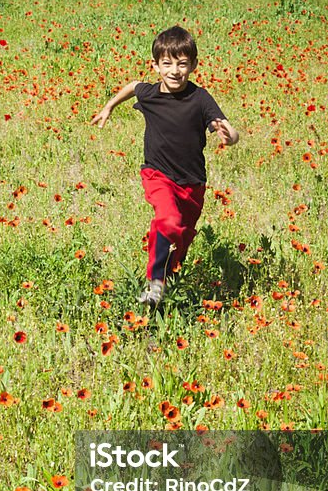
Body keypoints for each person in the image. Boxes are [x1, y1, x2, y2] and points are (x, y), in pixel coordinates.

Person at [90, 26, 239, 307]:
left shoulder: (200, 98)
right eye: (167, 64)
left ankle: (166, 281)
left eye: (182, 64)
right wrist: (110, 106)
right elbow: (134, 86)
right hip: (157, 174)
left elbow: (229, 130)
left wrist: (229, 135)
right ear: (155, 65)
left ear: (193, 65)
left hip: (193, 182)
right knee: (167, 220)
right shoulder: (150, 94)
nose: (174, 71)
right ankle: (155, 282)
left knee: (180, 238)